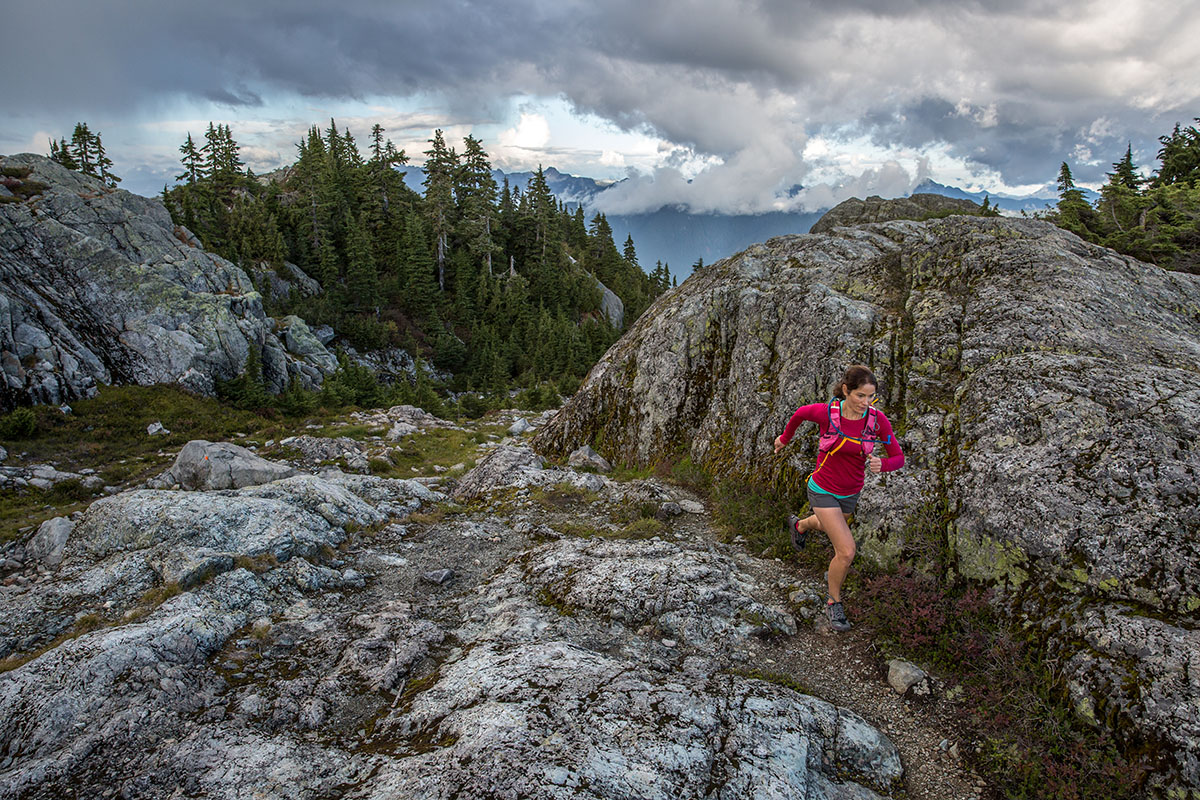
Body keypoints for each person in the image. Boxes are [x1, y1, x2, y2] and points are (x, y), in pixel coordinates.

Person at [773, 365, 904, 632]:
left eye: (871, 397)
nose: (865, 403)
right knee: (845, 551)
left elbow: (898, 457)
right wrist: (784, 439)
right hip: (822, 488)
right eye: (860, 396)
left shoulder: (878, 421)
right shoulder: (826, 413)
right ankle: (834, 601)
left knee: (829, 526)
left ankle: (801, 525)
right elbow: (799, 414)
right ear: (846, 391)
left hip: (850, 493)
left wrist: (884, 464)